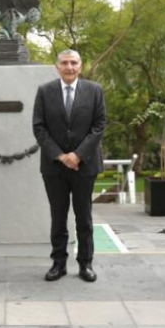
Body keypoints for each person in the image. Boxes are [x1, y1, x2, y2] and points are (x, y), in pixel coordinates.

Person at [32, 49, 107, 282]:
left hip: (85, 166)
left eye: (74, 63)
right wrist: (61, 155)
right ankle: (58, 263)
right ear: (57, 67)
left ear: (80, 66)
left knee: (84, 217)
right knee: (58, 217)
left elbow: (99, 125)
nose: (69, 67)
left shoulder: (94, 90)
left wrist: (78, 155)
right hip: (54, 167)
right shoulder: (45, 91)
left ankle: (85, 264)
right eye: (64, 63)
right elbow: (39, 127)